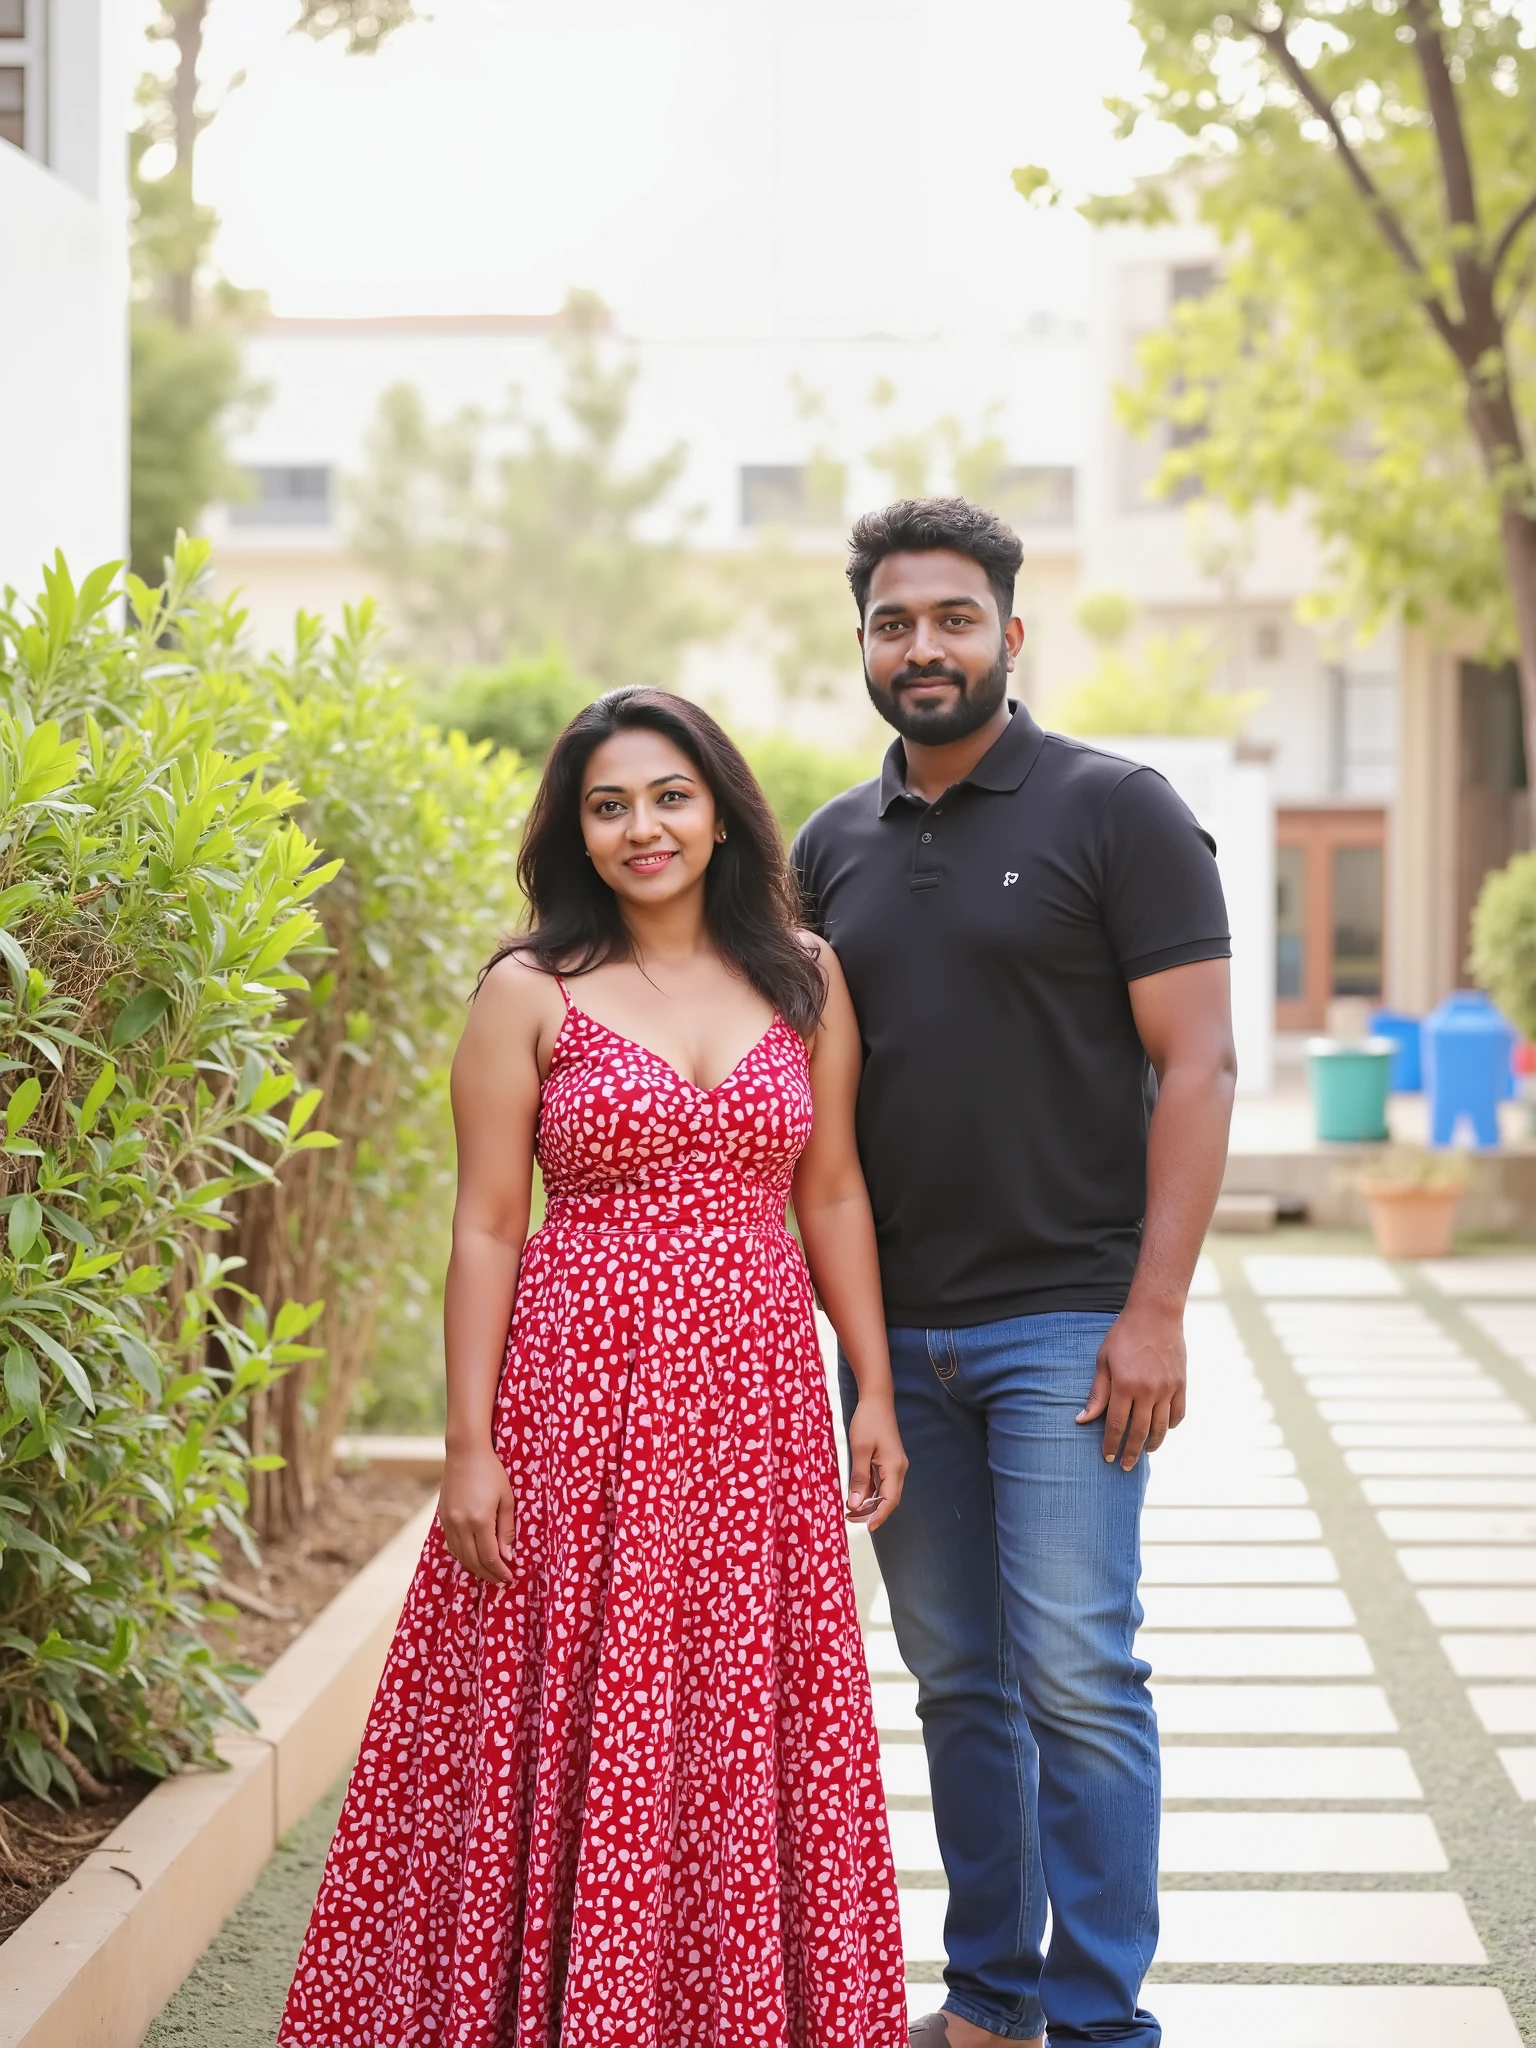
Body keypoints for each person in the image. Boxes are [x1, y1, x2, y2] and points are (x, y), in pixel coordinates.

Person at [279, 687, 909, 2047]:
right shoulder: (530, 990)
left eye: (671, 797)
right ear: (577, 832)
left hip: (756, 1405)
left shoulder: (805, 976)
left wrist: (873, 1388)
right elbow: (486, 1224)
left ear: (722, 814)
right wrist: (467, 1445)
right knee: (570, 1699)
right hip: (574, 1398)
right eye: (609, 806)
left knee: (736, 1707)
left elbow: (833, 1192)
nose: (643, 828)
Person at [792, 499, 1237, 2048]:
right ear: (864, 645)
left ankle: (1102, 2022)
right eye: (893, 623)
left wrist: (1156, 1311)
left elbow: (1200, 1068)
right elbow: (811, 1111)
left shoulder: (1119, 811)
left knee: (1076, 1673)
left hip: (1070, 1324)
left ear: (1010, 634)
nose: (923, 647)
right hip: (897, 1337)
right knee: (958, 1681)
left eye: (953, 619)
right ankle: (993, 1999)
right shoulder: (828, 849)